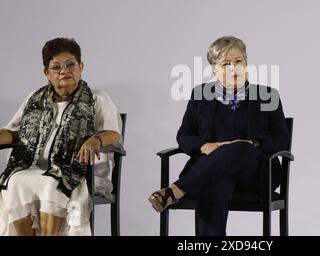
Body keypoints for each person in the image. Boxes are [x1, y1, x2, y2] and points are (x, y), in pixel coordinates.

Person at [149, 36, 289, 235]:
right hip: (213, 173)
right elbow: (184, 136)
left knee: (241, 147)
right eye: (225, 63)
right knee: (216, 183)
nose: (234, 68)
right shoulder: (200, 95)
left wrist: (251, 143)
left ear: (246, 64)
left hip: (256, 173)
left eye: (238, 61)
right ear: (214, 70)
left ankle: (177, 189)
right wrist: (205, 147)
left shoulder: (268, 95)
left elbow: (281, 138)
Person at [0, 38, 122, 236]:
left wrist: (95, 140)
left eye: (70, 64)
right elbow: (14, 133)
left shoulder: (97, 98)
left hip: (81, 171)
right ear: (46, 73)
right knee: (14, 181)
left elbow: (114, 134)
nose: (64, 71)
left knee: (53, 181)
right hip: (32, 167)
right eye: (56, 67)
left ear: (81, 67)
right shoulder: (34, 99)